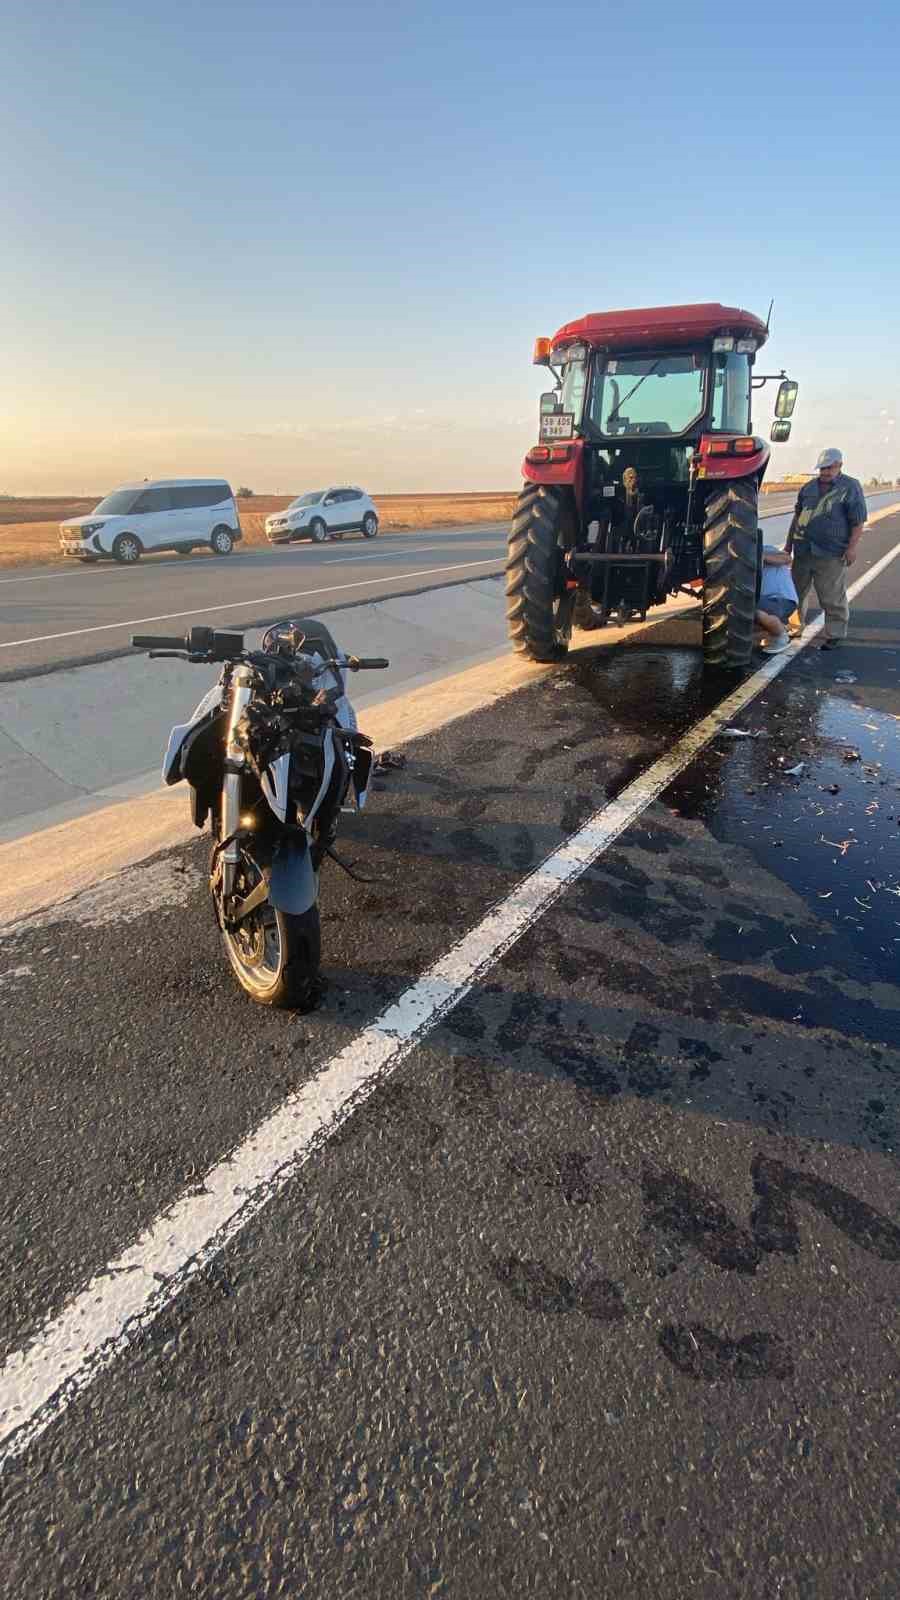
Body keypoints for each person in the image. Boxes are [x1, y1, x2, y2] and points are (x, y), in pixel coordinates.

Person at [785, 448, 867, 651]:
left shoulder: (850, 487)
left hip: (831, 552)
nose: (825, 472)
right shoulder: (808, 488)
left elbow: (857, 522)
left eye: (829, 468)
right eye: (822, 468)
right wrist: (788, 546)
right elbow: (797, 518)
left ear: (840, 465)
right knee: (796, 593)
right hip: (803, 550)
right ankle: (795, 628)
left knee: (831, 596)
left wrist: (852, 548)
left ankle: (835, 634)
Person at [756, 544, 798, 654]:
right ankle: (772, 630)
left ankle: (781, 635)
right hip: (766, 600)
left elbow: (787, 558)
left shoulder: (763, 548)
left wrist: (761, 556)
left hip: (781, 599)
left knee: (750, 608)